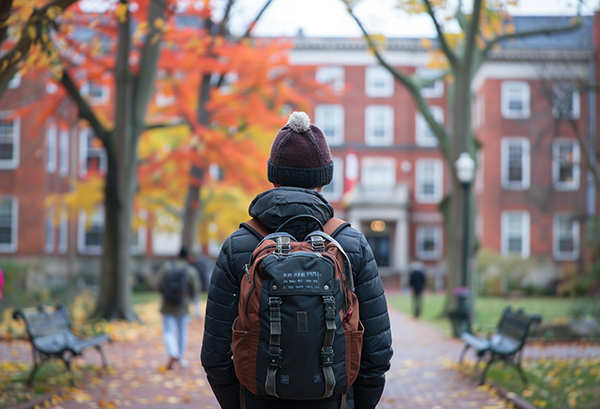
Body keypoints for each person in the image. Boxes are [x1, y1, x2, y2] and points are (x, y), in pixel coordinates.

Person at [201, 111, 393, 409]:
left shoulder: (239, 246)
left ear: (273, 175)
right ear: (323, 179)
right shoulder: (350, 245)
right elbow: (377, 353)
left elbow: (215, 356)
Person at [156, 247, 200, 370]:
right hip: (183, 306)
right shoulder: (190, 270)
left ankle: (172, 352)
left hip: (167, 304)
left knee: (168, 331)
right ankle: (180, 358)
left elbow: (158, 284)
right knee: (182, 331)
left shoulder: (167, 266)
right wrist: (189, 300)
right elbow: (195, 289)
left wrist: (166, 294)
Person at [182, 247, 213, 318]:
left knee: (196, 298)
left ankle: (197, 313)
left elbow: (205, 276)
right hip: (194, 284)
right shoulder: (192, 264)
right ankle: (193, 313)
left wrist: (205, 287)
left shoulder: (201, 264)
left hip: (200, 283)